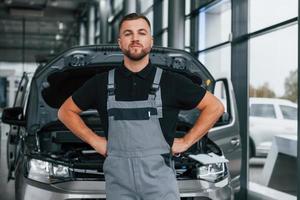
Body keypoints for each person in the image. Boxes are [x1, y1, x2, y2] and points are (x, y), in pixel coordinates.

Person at [58, 13, 224, 200]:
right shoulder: (101, 83)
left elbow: (215, 107)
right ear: (120, 42)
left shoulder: (172, 82)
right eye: (128, 33)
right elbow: (65, 111)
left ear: (151, 41)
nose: (135, 38)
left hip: (160, 186)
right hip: (119, 186)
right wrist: (95, 140)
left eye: (141, 32)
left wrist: (186, 142)